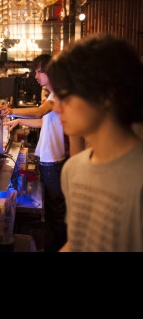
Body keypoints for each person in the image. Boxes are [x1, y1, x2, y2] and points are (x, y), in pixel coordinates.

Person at [46, 34, 143, 252]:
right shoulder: (73, 169)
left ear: (105, 95)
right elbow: (78, 242)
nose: (56, 108)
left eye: (65, 97)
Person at [5, 54, 67, 251]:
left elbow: (39, 112)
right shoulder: (52, 95)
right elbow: (42, 122)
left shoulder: (57, 94)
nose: (36, 75)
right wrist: (18, 120)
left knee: (56, 212)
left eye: (39, 71)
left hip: (53, 161)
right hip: (49, 160)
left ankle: (60, 246)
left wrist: (11, 110)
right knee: (51, 210)